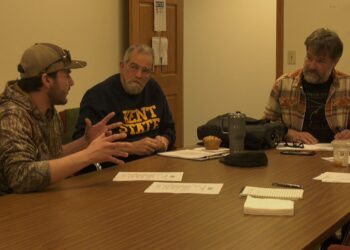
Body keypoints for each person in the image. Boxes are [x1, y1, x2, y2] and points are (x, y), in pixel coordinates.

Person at [0, 43, 132, 194]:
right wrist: (87, 156)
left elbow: (52, 157)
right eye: (67, 75)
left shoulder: (48, 110)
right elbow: (21, 177)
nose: (72, 82)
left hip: (41, 203)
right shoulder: (11, 115)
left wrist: (85, 142)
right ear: (47, 80)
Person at [73, 44, 175, 173]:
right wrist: (131, 148)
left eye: (145, 71)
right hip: (113, 170)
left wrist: (164, 140)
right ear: (122, 66)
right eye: (133, 67)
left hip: (153, 166)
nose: (138, 75)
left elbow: (169, 129)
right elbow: (83, 145)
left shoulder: (154, 89)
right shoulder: (98, 96)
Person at [264, 28, 350, 144]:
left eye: (320, 61)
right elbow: (265, 126)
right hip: (294, 153)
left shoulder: (347, 86)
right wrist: (288, 133)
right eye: (309, 58)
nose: (312, 66)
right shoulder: (283, 85)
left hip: (336, 154)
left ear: (335, 62)